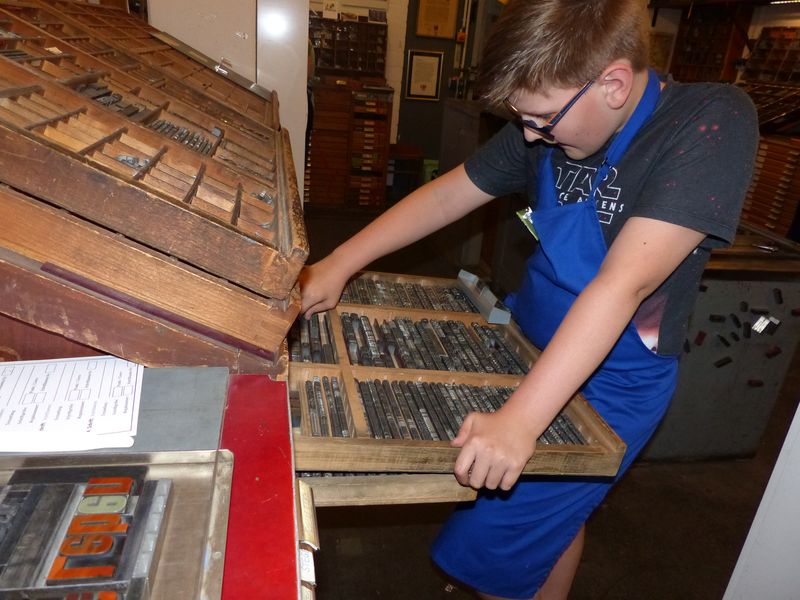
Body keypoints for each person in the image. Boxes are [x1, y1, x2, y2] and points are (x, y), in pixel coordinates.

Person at [300, 0, 758, 598]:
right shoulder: (547, 121)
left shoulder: (709, 120)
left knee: (496, 545)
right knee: (549, 524)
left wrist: (520, 421)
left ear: (614, 84)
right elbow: (447, 196)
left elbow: (624, 284)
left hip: (614, 380)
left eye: (541, 118)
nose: (529, 135)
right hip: (527, 342)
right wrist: (339, 262)